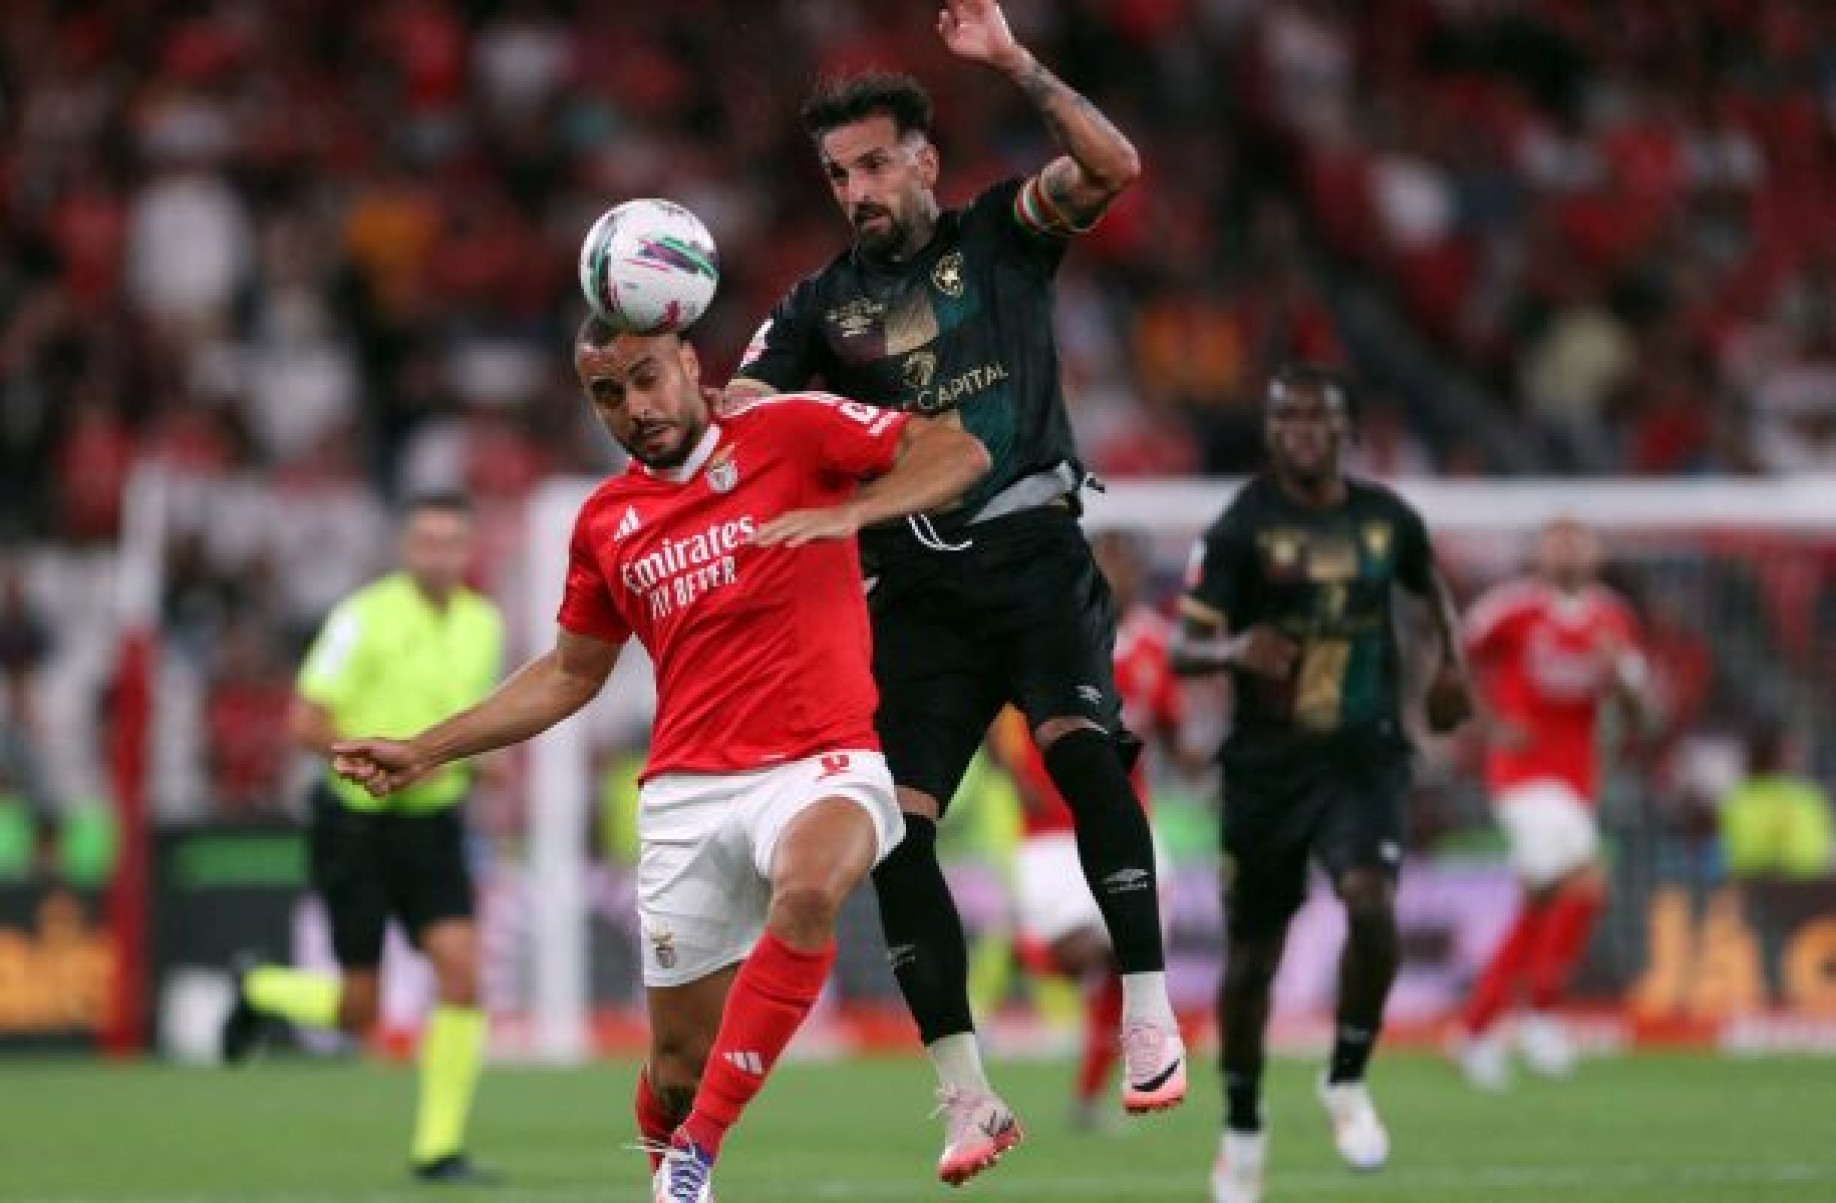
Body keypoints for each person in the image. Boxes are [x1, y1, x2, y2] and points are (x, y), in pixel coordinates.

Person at [332, 316, 990, 1203]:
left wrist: (851, 512)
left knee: (810, 887)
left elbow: (956, 451)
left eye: (647, 378)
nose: (635, 407)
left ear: (689, 363)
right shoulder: (606, 521)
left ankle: (695, 1159)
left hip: (823, 758)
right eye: (609, 393)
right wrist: (424, 749)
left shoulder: (791, 430)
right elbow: (570, 674)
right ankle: (678, 1151)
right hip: (686, 792)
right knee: (677, 1068)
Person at [727, 1, 1183, 1180]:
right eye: (839, 173)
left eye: (876, 163)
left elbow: (1112, 167)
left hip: (1034, 555)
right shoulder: (819, 307)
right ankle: (968, 1096)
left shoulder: (1001, 235)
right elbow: (737, 419)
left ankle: (1146, 1011)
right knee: (897, 837)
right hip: (919, 594)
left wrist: (1018, 63)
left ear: (924, 158)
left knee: (1084, 753)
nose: (858, 189)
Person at [1170, 364, 1473, 1203]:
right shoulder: (1240, 528)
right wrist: (1235, 651)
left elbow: (1430, 590)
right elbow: (1182, 648)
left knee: (1373, 905)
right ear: (1272, 432)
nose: (1304, 429)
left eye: (1319, 416)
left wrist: (1450, 666)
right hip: (1266, 765)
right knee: (1253, 959)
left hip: (1364, 756)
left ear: (1343, 429)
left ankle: (1346, 1075)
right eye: (1288, 416)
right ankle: (1240, 1128)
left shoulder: (1387, 519)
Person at [218, 494, 506, 1185]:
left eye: (451, 541)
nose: (439, 553)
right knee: (360, 1009)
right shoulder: (362, 617)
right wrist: (370, 758)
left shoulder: (483, 623)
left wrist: (478, 760)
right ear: (406, 547)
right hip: (356, 821)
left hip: (434, 820)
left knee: (462, 972)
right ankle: (259, 988)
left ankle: (439, 1148)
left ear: (468, 552)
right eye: (427, 540)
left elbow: (469, 721)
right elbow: (303, 719)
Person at [990, 530, 1195, 1130]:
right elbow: (991, 715)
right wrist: (1015, 777)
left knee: (1132, 960)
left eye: (1125, 563)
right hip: (1050, 829)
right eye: (1104, 562)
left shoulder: (1156, 647)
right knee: (1084, 955)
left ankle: (1088, 1096)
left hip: (1130, 825)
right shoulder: (1047, 630)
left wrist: (1196, 760)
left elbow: (1173, 728)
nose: (1115, 575)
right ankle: (1028, 954)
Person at [1450, 519, 1653, 1088]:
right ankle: (1537, 1015)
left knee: (1543, 899)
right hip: (1522, 776)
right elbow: (1449, 659)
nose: (1566, 549)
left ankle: (1476, 1027)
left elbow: (1644, 713)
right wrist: (1488, 725)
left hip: (1578, 780)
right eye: (1555, 539)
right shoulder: (1510, 610)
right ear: (1538, 552)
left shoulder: (1613, 619)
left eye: (1577, 539)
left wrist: (1624, 678)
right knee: (1585, 882)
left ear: (1596, 552)